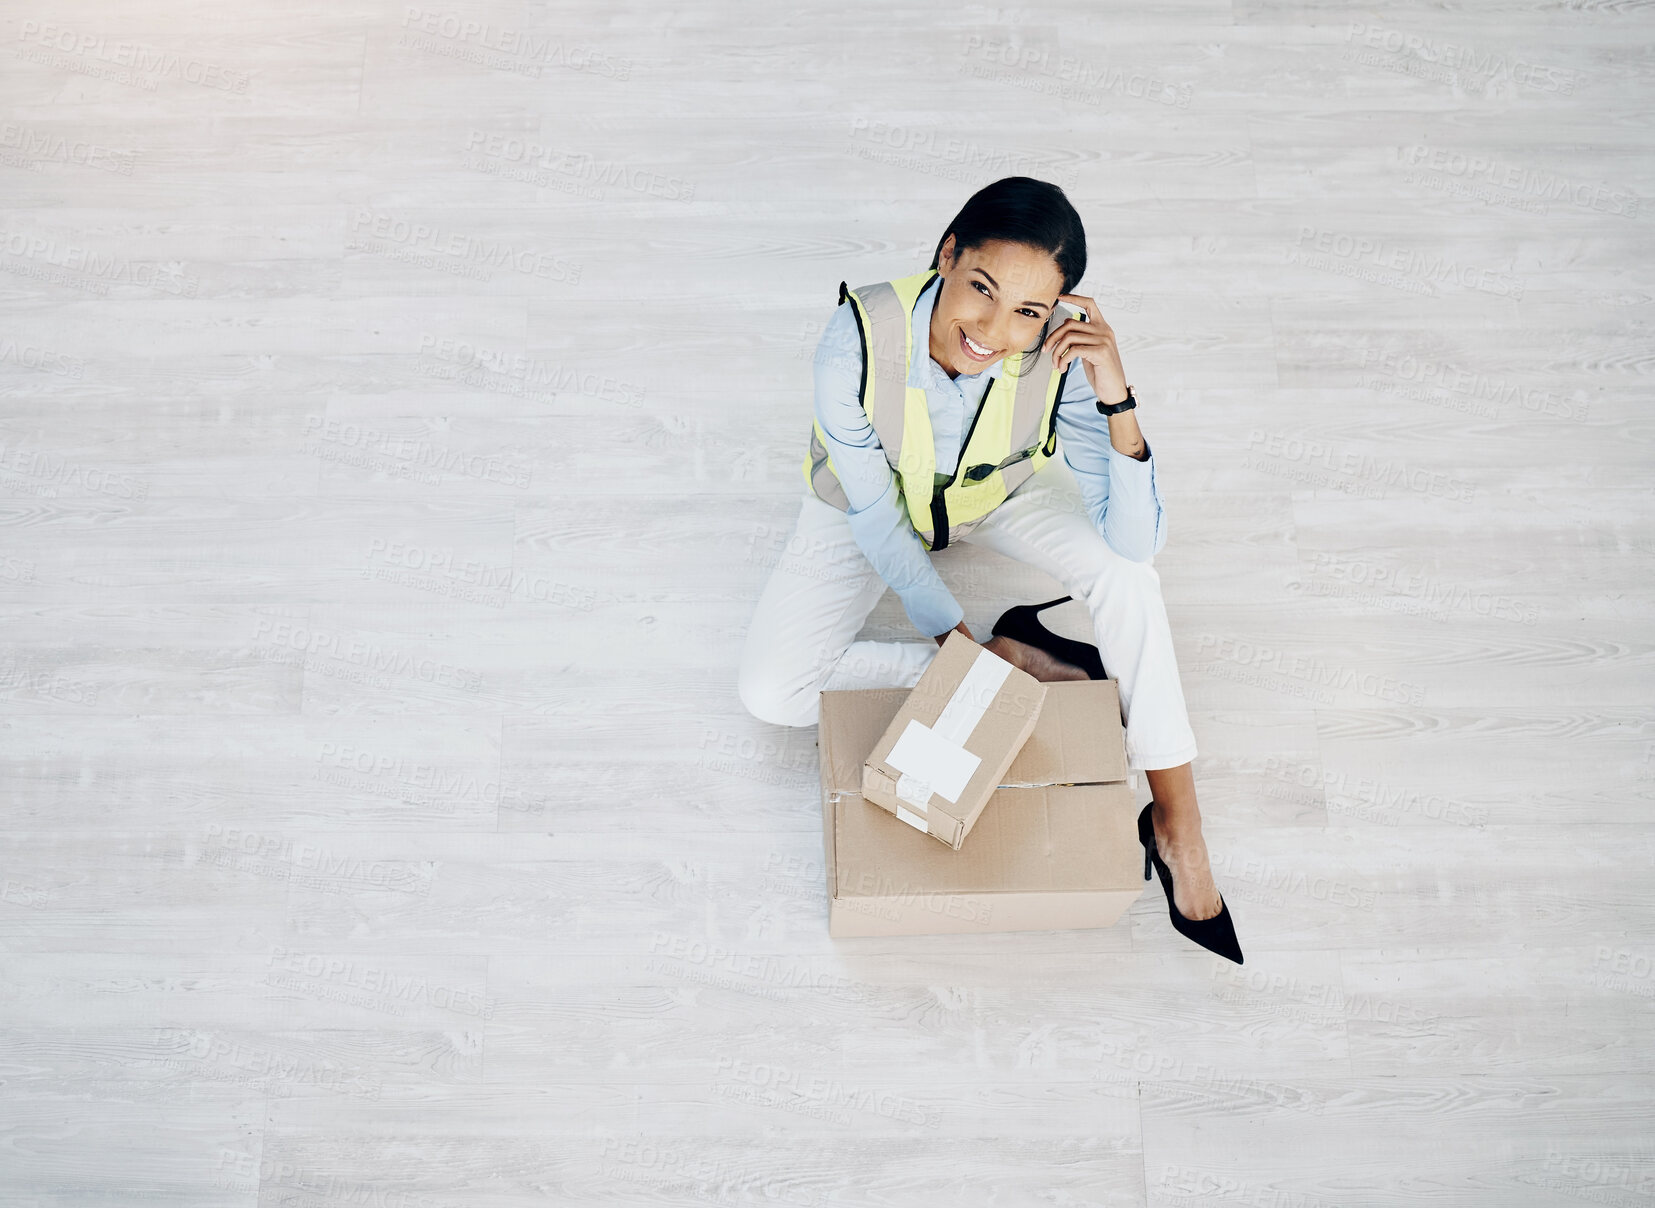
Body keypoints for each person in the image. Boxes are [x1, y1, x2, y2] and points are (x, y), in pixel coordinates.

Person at [737, 176, 1241, 963]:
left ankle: (1178, 822)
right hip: (866, 505)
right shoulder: (855, 338)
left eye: (1029, 312)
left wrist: (1115, 392)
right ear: (947, 255)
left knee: (1128, 580)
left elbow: (1135, 542)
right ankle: (1012, 662)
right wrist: (952, 637)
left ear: (1057, 314)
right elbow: (874, 514)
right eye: (981, 289)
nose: (994, 330)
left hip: (992, 495)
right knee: (770, 692)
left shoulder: (1060, 358)